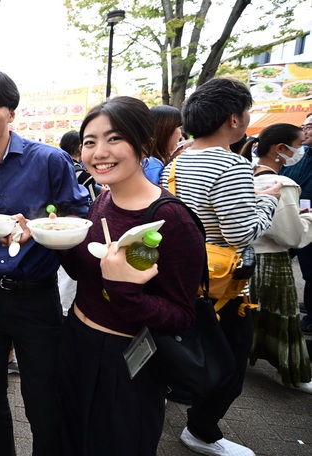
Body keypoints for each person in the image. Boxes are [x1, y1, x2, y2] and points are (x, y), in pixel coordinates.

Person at [0, 70, 90, 455]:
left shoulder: (49, 160)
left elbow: (78, 217)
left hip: (36, 296)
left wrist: (39, 227)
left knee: (43, 396)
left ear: (11, 110)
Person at [56, 96, 205, 455]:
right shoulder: (102, 201)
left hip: (128, 360)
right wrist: (59, 240)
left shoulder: (172, 220)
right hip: (76, 341)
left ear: (143, 144)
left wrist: (126, 292)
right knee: (70, 441)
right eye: (90, 142)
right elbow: (84, 274)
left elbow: (181, 317)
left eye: (114, 138)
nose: (99, 152)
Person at [159, 77, 281, 456]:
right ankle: (201, 430)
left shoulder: (176, 163)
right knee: (229, 362)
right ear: (233, 118)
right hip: (222, 286)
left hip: (183, 274)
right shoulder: (230, 165)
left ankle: (182, 392)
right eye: (247, 112)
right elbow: (241, 233)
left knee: (190, 342)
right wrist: (269, 201)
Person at [238, 123, 312, 393]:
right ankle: (294, 372)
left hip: (244, 258)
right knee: (283, 319)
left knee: (247, 315)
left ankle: (243, 357)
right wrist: (308, 219)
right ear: (281, 149)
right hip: (272, 262)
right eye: (299, 145)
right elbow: (291, 236)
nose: (301, 151)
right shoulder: (282, 185)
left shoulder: (245, 178)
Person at [281, 113, 312, 334]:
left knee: (311, 270)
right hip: (295, 216)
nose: (305, 130)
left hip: (308, 220)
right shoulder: (301, 155)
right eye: (304, 126)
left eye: (309, 126)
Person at [147, 105, 184, 183]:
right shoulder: (152, 166)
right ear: (166, 130)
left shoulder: (152, 162)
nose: (181, 134)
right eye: (179, 128)